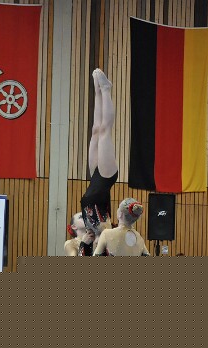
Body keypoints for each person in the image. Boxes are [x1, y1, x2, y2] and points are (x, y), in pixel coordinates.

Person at [79, 69, 119, 256]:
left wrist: (85, 243)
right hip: (105, 177)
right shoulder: (106, 234)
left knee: (96, 130)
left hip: (95, 178)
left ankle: (97, 91)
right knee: (104, 132)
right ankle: (106, 90)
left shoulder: (91, 237)